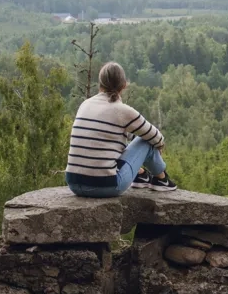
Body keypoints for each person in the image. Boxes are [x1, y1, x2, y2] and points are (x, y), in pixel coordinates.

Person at [66, 62, 177, 197]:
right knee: (145, 140)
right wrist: (158, 145)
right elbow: (156, 136)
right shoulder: (122, 110)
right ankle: (161, 179)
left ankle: (140, 175)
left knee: (116, 142)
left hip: (73, 183)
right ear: (124, 85)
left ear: (100, 84)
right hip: (106, 186)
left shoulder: (85, 104)